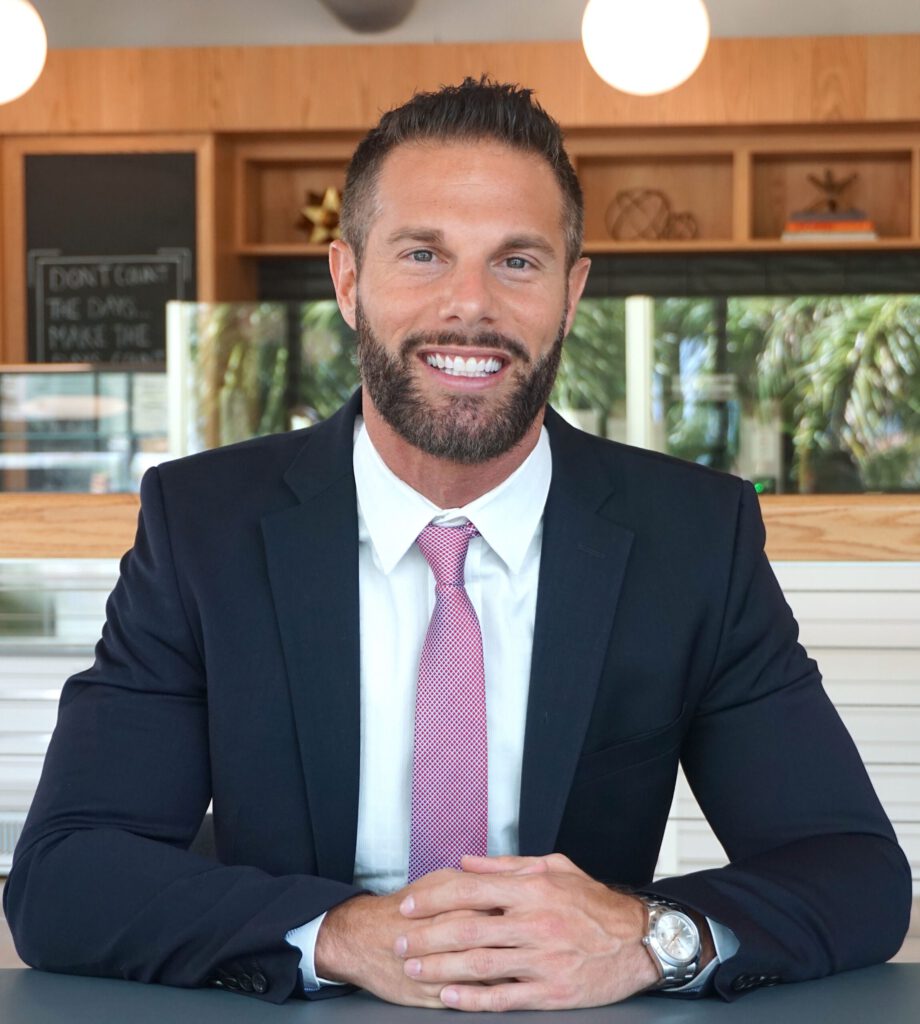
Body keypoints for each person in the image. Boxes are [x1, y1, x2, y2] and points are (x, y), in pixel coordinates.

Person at [3, 78, 911, 1011]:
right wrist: (342, 936)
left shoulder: (693, 539)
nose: (469, 304)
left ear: (571, 293)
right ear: (348, 281)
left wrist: (646, 937)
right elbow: (65, 877)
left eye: (517, 261)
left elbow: (854, 871)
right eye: (423, 254)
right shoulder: (203, 526)